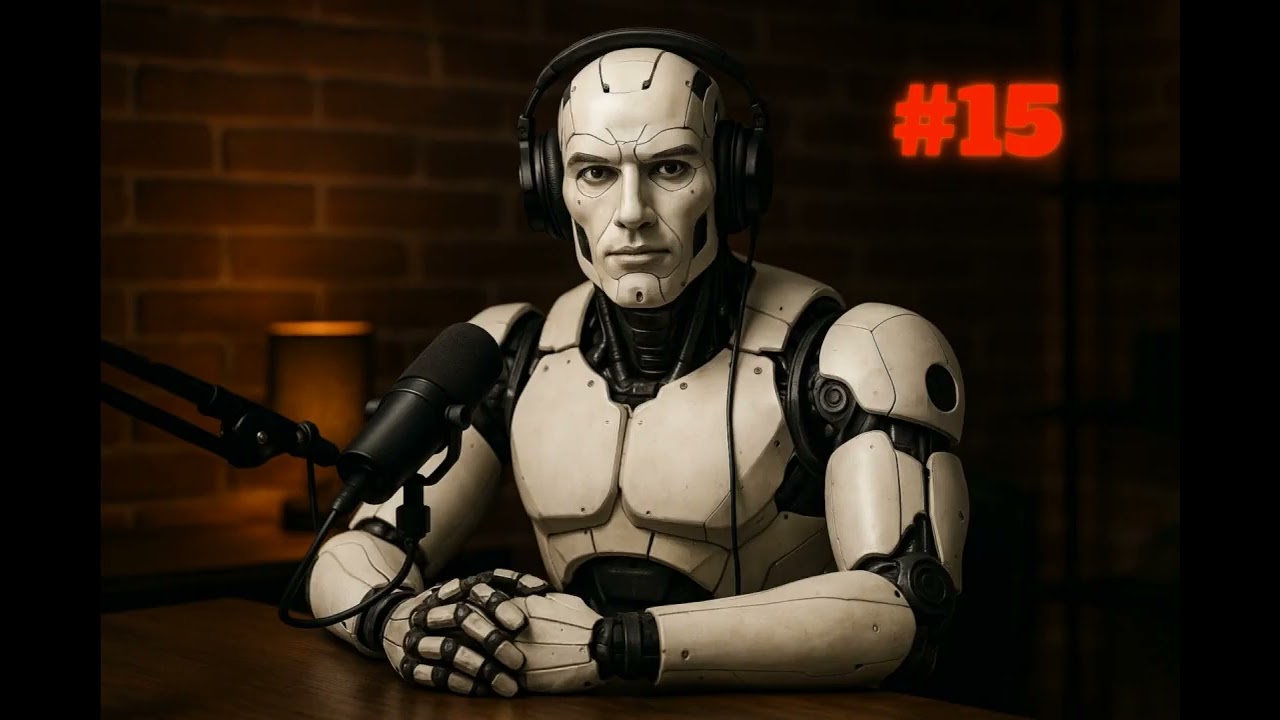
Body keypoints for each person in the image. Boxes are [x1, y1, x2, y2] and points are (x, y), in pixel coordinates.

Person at [307, 28, 969, 698]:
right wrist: (399, 621)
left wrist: (615, 647)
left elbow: (905, 607)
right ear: (550, 190)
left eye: (670, 169)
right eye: (595, 173)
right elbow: (358, 547)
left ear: (733, 178)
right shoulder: (514, 353)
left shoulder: (843, 355)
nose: (632, 214)